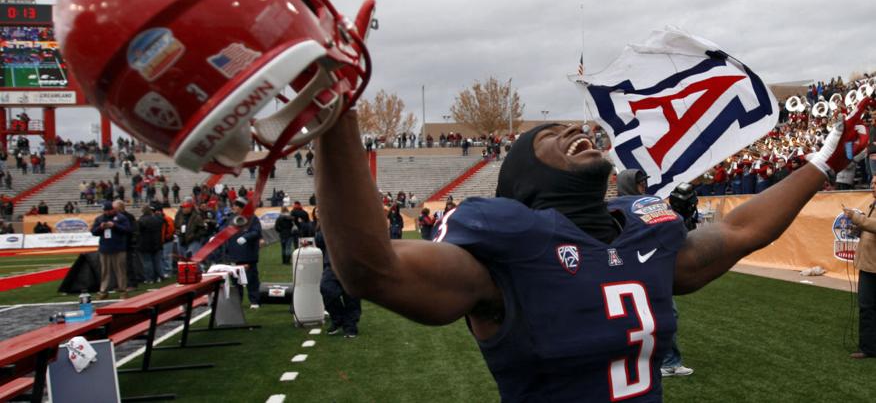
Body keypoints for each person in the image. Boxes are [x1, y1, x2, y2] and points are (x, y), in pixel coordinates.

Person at [314, 104, 870, 402]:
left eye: (574, 126)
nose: (575, 131)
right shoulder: (507, 244)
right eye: (550, 135)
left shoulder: (639, 231)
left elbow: (740, 232)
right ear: (525, 175)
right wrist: (337, 116)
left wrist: (822, 164)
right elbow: (372, 269)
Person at [314, 207, 361, 338]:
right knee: (326, 289)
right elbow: (320, 242)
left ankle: (350, 326)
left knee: (351, 297)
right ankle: (338, 319)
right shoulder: (326, 223)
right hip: (332, 264)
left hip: (351, 265)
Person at [843, 177, 876, 359]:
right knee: (866, 307)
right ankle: (868, 348)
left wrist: (857, 218)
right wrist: (857, 228)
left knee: (868, 307)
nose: (872, 186)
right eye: (871, 183)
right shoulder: (873, 205)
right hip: (868, 264)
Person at [224, 199, 262, 309]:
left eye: (235, 206)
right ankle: (237, 301)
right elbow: (225, 231)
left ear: (241, 207)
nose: (234, 208)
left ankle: (254, 301)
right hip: (234, 254)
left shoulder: (252, 218)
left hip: (248, 254)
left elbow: (256, 232)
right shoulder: (231, 218)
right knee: (236, 281)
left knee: (251, 279)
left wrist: (246, 237)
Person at [91, 200, 132, 299]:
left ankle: (123, 290)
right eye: (106, 211)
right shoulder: (100, 219)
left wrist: (115, 226)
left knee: (120, 270)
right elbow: (93, 231)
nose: (107, 212)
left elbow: (127, 230)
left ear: (113, 209)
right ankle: (103, 291)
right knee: (105, 271)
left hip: (118, 248)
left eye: (109, 210)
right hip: (105, 248)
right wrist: (100, 227)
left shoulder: (121, 218)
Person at [138, 205, 165, 283]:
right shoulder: (157, 219)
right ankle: (159, 276)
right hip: (157, 243)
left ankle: (150, 278)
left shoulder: (141, 220)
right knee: (157, 261)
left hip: (145, 244)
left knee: (147, 262)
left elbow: (139, 232)